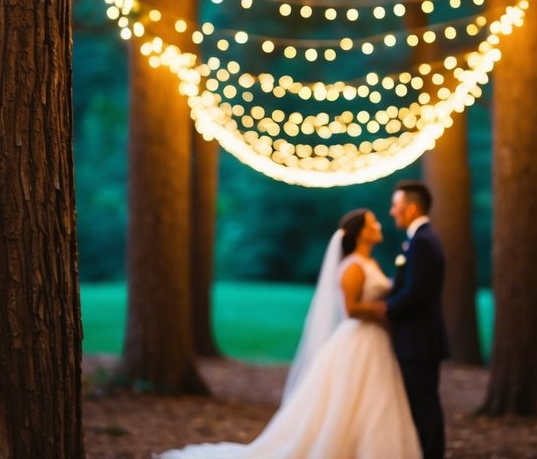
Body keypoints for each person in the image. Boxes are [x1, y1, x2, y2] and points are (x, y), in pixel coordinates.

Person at [156, 209, 421, 459]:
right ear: (361, 232)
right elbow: (351, 309)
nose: (378, 225)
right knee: (349, 397)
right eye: (372, 222)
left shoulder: (370, 262)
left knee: (375, 400)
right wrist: (381, 308)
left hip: (376, 339)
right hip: (359, 339)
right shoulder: (352, 266)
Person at [382, 180, 448, 459]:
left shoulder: (422, 241)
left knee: (423, 404)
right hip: (417, 338)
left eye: (395, 206)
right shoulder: (421, 238)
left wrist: (385, 310)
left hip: (419, 340)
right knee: (421, 402)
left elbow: (417, 292)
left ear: (410, 208)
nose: (391, 212)